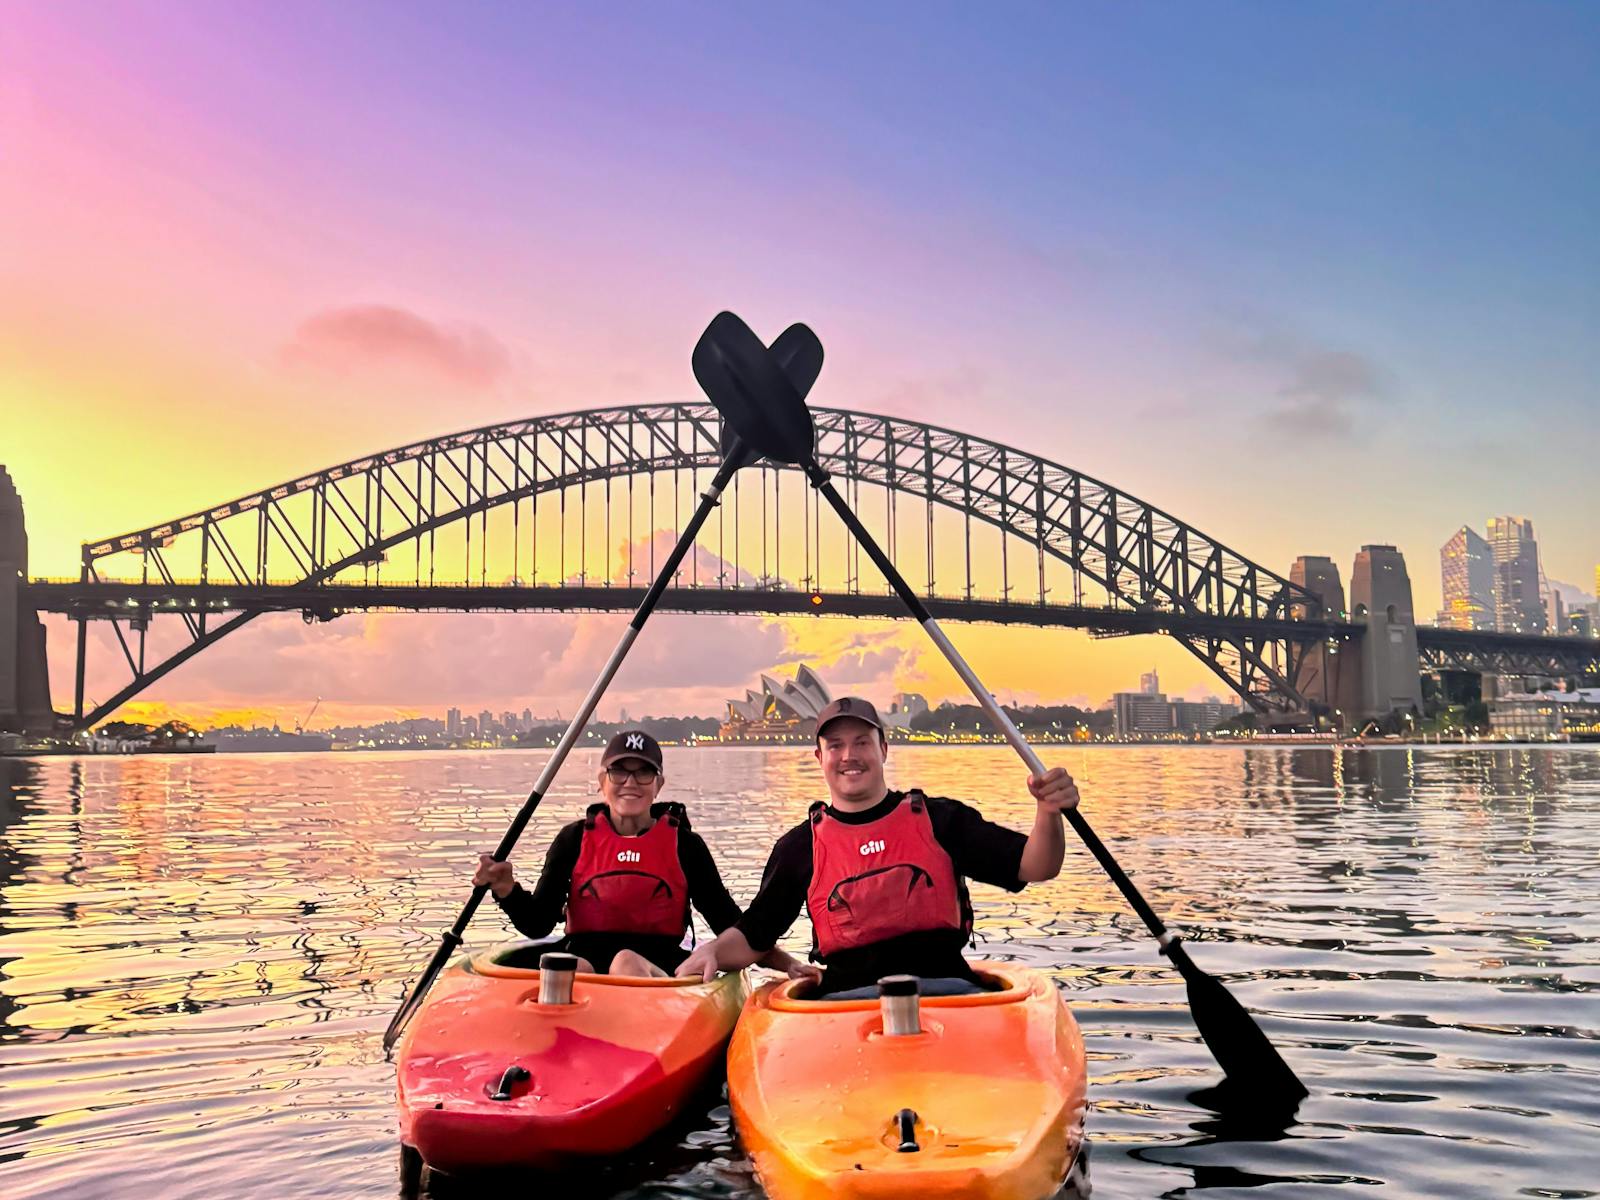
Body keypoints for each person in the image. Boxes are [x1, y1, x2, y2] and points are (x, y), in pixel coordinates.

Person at [676, 697, 1080, 997]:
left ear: (883, 749)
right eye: (835, 746)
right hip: (846, 1001)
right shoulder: (801, 846)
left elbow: (1036, 866)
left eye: (862, 743)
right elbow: (755, 935)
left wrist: (1048, 811)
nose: (849, 756)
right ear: (820, 757)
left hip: (949, 992)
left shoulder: (939, 819)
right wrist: (712, 951)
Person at [474, 728, 813, 980]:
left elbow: (732, 925)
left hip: (659, 971)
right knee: (570, 968)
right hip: (585, 964)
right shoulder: (574, 840)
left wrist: (787, 964)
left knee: (625, 962)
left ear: (659, 784)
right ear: (602, 781)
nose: (630, 782)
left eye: (644, 772)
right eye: (619, 772)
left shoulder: (684, 845)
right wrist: (506, 889)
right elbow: (538, 924)